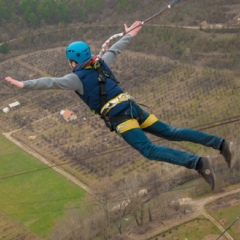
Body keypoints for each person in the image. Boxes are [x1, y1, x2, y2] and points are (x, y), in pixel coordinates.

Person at [5, 21, 235, 191]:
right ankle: (221, 144)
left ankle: (197, 162)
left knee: (149, 150)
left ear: (73, 61)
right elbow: (116, 49)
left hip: (122, 119)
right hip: (133, 108)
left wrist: (23, 84)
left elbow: (50, 82)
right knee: (171, 132)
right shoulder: (102, 63)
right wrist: (131, 34)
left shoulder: (75, 78)